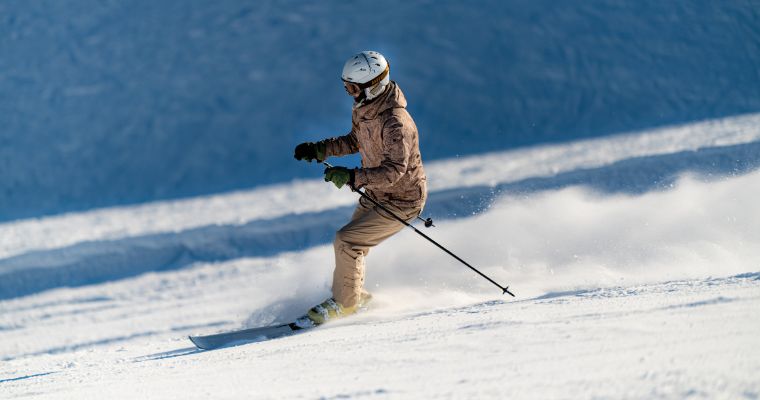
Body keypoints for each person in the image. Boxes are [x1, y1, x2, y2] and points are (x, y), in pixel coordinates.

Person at [293, 51, 427, 325]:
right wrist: (322, 149)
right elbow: (356, 140)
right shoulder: (366, 110)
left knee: (348, 241)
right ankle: (352, 296)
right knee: (350, 244)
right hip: (378, 193)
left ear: (372, 86)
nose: (349, 93)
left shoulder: (395, 122)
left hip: (402, 200)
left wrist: (353, 177)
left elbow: (394, 171)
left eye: (353, 88)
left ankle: (345, 304)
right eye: (346, 87)